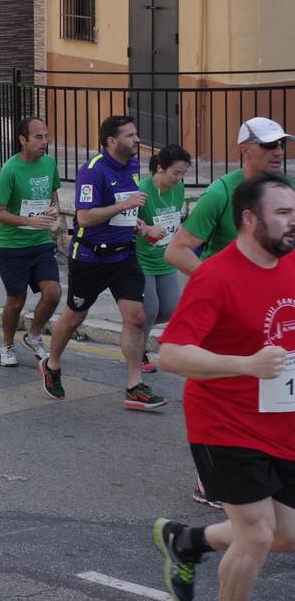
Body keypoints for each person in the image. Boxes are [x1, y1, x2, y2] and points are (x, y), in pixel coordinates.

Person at [152, 174, 295, 601]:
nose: (293, 222)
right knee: (257, 536)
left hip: (282, 422)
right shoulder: (216, 276)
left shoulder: (291, 263)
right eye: (283, 213)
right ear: (250, 219)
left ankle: (188, 542)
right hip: (225, 423)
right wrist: (246, 364)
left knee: (286, 534)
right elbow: (171, 354)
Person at [40, 115, 165, 410]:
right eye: (131, 135)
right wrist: (124, 204)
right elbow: (84, 218)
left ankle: (135, 386)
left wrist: (143, 227)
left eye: (137, 134)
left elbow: (130, 211)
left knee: (135, 317)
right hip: (91, 257)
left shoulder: (133, 165)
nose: (137, 140)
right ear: (112, 141)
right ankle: (53, 364)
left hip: (124, 254)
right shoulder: (92, 171)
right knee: (74, 317)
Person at [165, 117, 294, 275]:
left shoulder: (289, 189)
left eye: (282, 145)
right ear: (245, 150)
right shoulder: (219, 193)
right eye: (269, 145)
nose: (278, 152)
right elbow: (176, 251)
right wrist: (219, 284)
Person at [0, 116, 64, 368]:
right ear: (22, 139)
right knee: (16, 300)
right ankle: (6, 346)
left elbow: (53, 194)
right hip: (12, 247)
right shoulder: (10, 169)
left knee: (53, 292)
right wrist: (27, 221)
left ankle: (33, 336)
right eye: (38, 137)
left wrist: (54, 210)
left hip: (41, 244)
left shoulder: (49, 163)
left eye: (46, 136)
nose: (45, 141)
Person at [136, 144, 192, 373]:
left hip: (166, 258)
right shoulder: (142, 190)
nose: (179, 179)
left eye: (182, 174)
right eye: (175, 173)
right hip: (142, 260)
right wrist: (147, 229)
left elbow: (176, 217)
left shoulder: (178, 190)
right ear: (160, 168)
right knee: (150, 308)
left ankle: (135, 328)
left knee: (170, 309)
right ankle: (138, 353)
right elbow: (128, 222)